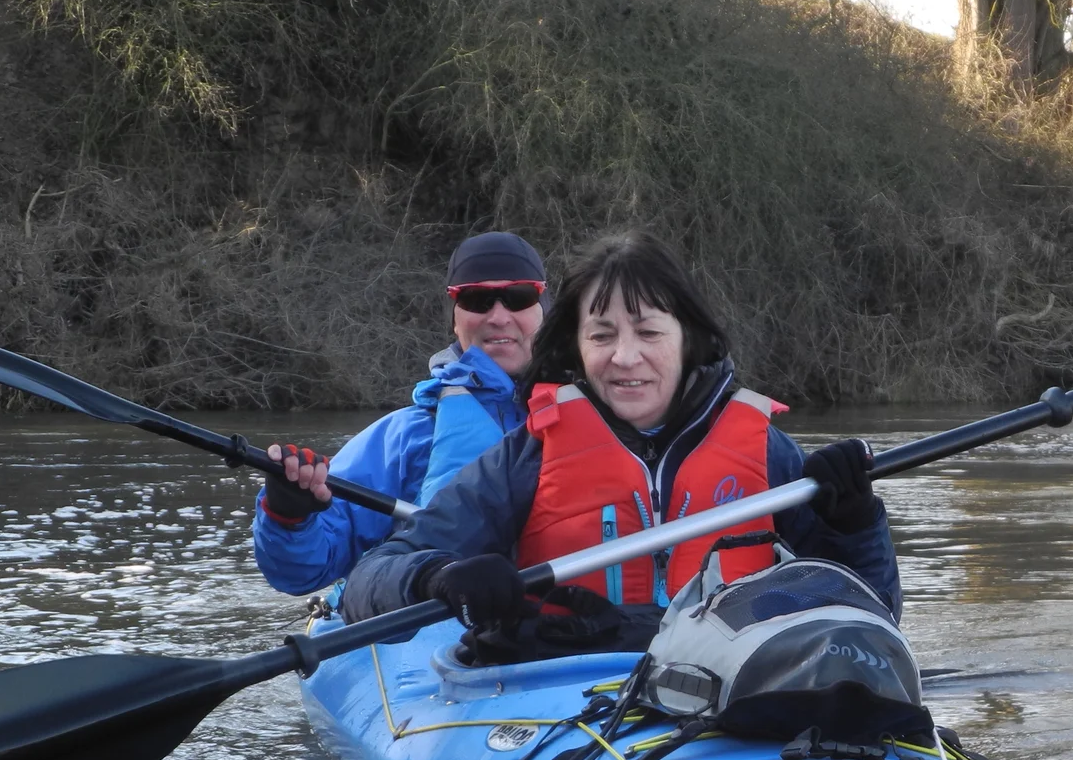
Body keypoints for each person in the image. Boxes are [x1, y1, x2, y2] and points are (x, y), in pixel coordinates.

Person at [339, 230, 897, 660]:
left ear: (688, 341)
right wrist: (437, 576)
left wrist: (853, 525)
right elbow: (369, 583)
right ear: (576, 349)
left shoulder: (770, 453)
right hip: (570, 689)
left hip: (732, 687)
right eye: (602, 335)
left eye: (649, 333)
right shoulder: (526, 456)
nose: (625, 358)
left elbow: (873, 621)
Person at [251, 231, 551, 595]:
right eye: (477, 299)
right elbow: (302, 574)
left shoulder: (608, 414)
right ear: (455, 319)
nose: (499, 317)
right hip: (445, 628)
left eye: (519, 298)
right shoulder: (404, 437)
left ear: (544, 310)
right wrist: (288, 515)